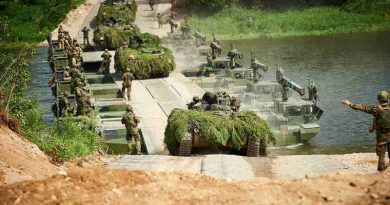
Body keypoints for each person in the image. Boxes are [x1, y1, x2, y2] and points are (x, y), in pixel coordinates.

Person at [341, 91, 390, 172]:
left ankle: (381, 172)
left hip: (381, 136)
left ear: (378, 99)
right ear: (388, 98)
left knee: (381, 155)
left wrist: (349, 104)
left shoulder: (376, 109)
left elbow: (363, 107)